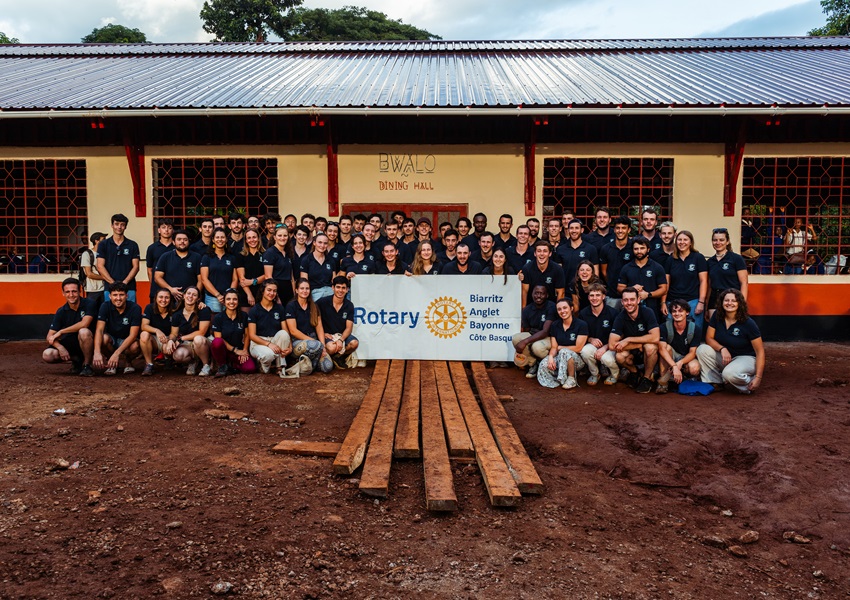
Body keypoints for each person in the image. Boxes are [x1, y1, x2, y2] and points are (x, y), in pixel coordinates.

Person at [697, 288, 765, 394]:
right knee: (702, 349)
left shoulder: (748, 323)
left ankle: (749, 383)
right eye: (726, 300)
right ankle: (716, 382)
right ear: (722, 302)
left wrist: (758, 377)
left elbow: (760, 351)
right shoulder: (717, 316)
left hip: (746, 358)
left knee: (729, 373)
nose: (729, 303)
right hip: (726, 356)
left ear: (739, 303)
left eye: (733, 301)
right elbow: (709, 338)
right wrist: (722, 348)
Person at [602, 286, 660, 393]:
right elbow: (611, 345)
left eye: (632, 299)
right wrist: (638, 345)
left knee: (650, 347)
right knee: (619, 356)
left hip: (648, 352)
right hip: (634, 350)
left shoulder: (648, 312)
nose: (629, 303)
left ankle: (646, 378)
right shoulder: (620, 317)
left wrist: (628, 339)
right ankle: (634, 371)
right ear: (622, 302)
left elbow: (655, 337)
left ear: (638, 300)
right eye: (625, 300)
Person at [43, 277, 95, 376]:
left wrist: (61, 331)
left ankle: (87, 365)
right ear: (63, 293)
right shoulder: (61, 311)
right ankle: (77, 360)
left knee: (84, 331)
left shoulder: (89, 304)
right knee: (47, 355)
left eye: (74, 291)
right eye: (67, 292)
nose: (71, 295)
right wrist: (60, 347)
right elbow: (49, 336)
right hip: (71, 345)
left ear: (80, 292)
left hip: (88, 342)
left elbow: (85, 324)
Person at [537, 298, 588, 390]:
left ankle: (571, 379)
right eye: (559, 309)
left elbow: (578, 348)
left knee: (564, 351)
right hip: (561, 356)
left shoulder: (581, 325)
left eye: (565, 308)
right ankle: (556, 381)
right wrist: (551, 357)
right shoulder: (555, 325)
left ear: (571, 308)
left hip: (577, 360)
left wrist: (560, 348)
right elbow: (554, 347)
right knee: (544, 364)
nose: (562, 311)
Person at [285, 279, 334, 374]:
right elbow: (293, 331)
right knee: (315, 345)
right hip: (297, 341)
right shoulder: (291, 306)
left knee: (327, 367)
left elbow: (319, 328)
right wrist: (315, 342)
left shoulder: (314, 306)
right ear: (296, 290)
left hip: (314, 341)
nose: (305, 291)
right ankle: (301, 363)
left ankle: (308, 365)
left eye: (307, 288)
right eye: (302, 288)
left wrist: (323, 346)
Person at [93, 282, 142, 375]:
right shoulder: (105, 306)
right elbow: (99, 330)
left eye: (121, 295)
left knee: (136, 345)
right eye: (115, 295)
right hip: (112, 339)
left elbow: (133, 334)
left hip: (127, 340)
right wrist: (97, 352)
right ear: (110, 296)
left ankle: (128, 362)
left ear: (127, 296)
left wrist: (117, 354)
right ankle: (112, 364)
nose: (118, 298)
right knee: (103, 339)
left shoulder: (135, 308)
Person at [664, 230, 708, 332]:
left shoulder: (698, 258)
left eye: (685, 239)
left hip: (693, 301)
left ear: (690, 242)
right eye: (679, 239)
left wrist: (701, 302)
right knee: (671, 332)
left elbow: (703, 281)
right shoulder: (670, 259)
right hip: (673, 301)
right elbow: (666, 283)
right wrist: (663, 302)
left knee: (695, 331)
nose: (682, 242)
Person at [656, 299, 701, 394]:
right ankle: (663, 382)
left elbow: (692, 352)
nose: (677, 314)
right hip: (671, 356)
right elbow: (661, 349)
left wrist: (680, 363)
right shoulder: (664, 327)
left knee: (694, 368)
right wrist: (674, 366)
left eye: (680, 311)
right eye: (674, 311)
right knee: (666, 348)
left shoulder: (694, 328)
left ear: (687, 312)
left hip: (685, 358)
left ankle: (683, 378)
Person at [617, 235, 668, 320]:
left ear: (648, 249)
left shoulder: (657, 267)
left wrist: (648, 294)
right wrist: (631, 289)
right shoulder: (626, 268)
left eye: (642, 248)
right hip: (630, 310)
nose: (639, 251)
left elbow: (663, 289)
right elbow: (619, 288)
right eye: (636, 249)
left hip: (652, 309)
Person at [247, 280, 292, 375]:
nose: (272, 293)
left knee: (283, 334)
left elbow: (285, 331)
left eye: (274, 291)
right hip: (258, 342)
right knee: (268, 355)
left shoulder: (279, 308)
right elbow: (252, 335)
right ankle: (264, 366)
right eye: (269, 290)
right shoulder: (254, 310)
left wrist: (290, 347)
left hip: (274, 340)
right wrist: (268, 344)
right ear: (263, 291)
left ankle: (280, 366)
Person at [166, 285, 212, 376]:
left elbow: (201, 332)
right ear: (183, 296)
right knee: (178, 355)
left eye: (194, 295)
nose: (190, 296)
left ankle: (206, 365)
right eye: (188, 293)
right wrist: (171, 340)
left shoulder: (204, 310)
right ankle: (193, 362)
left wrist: (181, 339)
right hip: (188, 344)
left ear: (198, 298)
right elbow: (174, 333)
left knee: (198, 339)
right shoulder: (177, 314)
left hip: (204, 342)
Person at [211, 288, 257, 377]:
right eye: (228, 299)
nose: (231, 302)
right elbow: (218, 338)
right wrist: (235, 351)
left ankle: (232, 366)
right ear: (224, 301)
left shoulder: (243, 316)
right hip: (224, 351)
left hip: (239, 349)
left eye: (234, 299)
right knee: (217, 342)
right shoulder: (218, 317)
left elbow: (247, 335)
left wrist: (244, 350)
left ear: (238, 301)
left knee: (250, 368)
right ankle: (222, 365)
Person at [512, 284, 556, 379]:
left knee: (537, 347)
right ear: (532, 294)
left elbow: (545, 331)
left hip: (549, 337)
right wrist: (527, 340)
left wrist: (525, 341)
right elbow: (527, 330)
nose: (538, 296)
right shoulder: (527, 309)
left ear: (547, 295)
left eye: (542, 293)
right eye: (536, 293)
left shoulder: (551, 307)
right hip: (534, 334)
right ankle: (533, 364)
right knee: (516, 338)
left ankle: (548, 364)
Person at [578, 283, 617, 386]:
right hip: (594, 345)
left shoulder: (613, 313)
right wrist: (590, 339)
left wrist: (605, 347)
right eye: (592, 295)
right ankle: (595, 374)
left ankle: (614, 375)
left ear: (603, 297)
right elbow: (581, 334)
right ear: (588, 297)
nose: (594, 298)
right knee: (585, 351)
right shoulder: (583, 313)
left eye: (598, 295)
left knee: (606, 359)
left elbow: (619, 335)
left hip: (610, 346)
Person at [96, 214, 141, 303]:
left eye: (122, 224)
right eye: (116, 224)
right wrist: (113, 284)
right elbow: (100, 266)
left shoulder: (132, 245)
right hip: (110, 288)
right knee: (110, 313)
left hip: (129, 287)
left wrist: (124, 283)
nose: (119, 227)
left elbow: (136, 267)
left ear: (125, 227)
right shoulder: (103, 244)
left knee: (131, 313)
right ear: (112, 225)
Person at [706, 227, 748, 319]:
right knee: (715, 329)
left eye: (721, 240)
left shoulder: (736, 259)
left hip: (731, 300)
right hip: (714, 300)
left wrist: (742, 304)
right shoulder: (709, 262)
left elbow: (744, 283)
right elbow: (709, 285)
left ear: (727, 241)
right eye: (715, 240)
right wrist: (706, 306)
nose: (718, 243)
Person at [317, 276, 359, 369]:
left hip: (341, 335)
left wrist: (341, 340)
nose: (340, 290)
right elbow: (313, 319)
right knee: (331, 348)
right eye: (338, 287)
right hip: (328, 336)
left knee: (354, 343)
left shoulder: (349, 305)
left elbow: (349, 328)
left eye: (343, 288)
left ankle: (339, 357)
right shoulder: (322, 302)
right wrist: (322, 333)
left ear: (347, 290)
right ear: (333, 288)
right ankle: (330, 356)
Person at [154, 229, 202, 304]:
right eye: (179, 239)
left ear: (189, 241)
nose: (182, 242)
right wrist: (171, 289)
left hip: (190, 299)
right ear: (173, 242)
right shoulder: (165, 257)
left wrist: (194, 294)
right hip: (170, 299)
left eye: (185, 239)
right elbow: (157, 277)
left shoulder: (197, 257)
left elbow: (201, 279)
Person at [200, 228, 238, 314]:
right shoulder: (206, 257)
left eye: (222, 237)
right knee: (213, 323)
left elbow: (235, 279)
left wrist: (229, 294)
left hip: (229, 298)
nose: (220, 240)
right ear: (213, 240)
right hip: (212, 298)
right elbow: (204, 279)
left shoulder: (232, 257)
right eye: (217, 237)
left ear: (226, 239)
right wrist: (218, 295)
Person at [599, 216, 633, 310]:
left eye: (623, 228)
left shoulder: (634, 248)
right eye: (618, 228)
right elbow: (604, 272)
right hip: (612, 296)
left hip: (631, 297)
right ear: (614, 230)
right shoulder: (606, 249)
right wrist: (612, 283)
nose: (620, 231)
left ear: (629, 230)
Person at [139, 288, 174, 376]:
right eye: (161, 297)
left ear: (170, 299)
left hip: (170, 339)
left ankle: (168, 359)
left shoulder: (175, 309)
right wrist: (157, 331)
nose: (163, 300)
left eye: (167, 297)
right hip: (155, 339)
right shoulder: (149, 308)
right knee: (144, 334)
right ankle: (149, 364)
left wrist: (169, 339)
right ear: (155, 298)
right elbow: (144, 326)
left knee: (170, 346)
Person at [520, 240, 565, 307]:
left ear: (550, 254)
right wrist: (524, 313)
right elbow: (524, 292)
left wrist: (557, 313)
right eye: (539, 251)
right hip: (531, 307)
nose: (542, 254)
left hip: (551, 307)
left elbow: (560, 293)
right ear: (535, 253)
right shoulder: (527, 268)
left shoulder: (557, 269)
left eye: (545, 251)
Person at [555, 218, 600, 284]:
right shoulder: (561, 249)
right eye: (571, 228)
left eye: (576, 228)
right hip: (566, 290)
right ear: (568, 230)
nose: (574, 231)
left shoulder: (591, 249)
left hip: (586, 290)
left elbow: (596, 272)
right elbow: (558, 273)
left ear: (582, 230)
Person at [262, 225, 295, 305]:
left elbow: (291, 276)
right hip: (277, 290)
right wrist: (276, 295)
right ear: (274, 237)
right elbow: (268, 277)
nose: (282, 238)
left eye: (285, 235)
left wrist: (294, 293)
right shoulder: (270, 253)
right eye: (279, 235)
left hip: (288, 289)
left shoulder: (288, 252)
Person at [145, 219, 174, 303]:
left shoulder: (177, 247)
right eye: (163, 227)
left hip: (174, 289)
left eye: (169, 228)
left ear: (173, 230)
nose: (166, 230)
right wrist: (154, 283)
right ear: (159, 230)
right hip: (156, 289)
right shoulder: (152, 248)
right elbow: (149, 269)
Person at [236, 228, 266, 311]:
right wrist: (249, 294)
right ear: (245, 240)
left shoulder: (266, 254)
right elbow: (242, 279)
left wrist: (253, 281)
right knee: (246, 321)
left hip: (263, 293)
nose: (252, 240)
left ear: (258, 238)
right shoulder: (241, 256)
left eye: (254, 237)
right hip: (245, 294)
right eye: (249, 238)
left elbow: (267, 275)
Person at [300, 232, 336, 300]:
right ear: (314, 243)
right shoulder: (306, 260)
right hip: (314, 293)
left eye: (325, 243)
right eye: (320, 242)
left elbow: (334, 280)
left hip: (330, 292)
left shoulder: (330, 260)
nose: (322, 245)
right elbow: (304, 281)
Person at [80, 231, 106, 313]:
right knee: (92, 313)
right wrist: (105, 277)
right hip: (92, 290)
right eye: (103, 239)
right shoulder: (87, 254)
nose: (105, 241)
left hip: (105, 289)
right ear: (96, 241)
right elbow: (89, 274)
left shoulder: (105, 253)